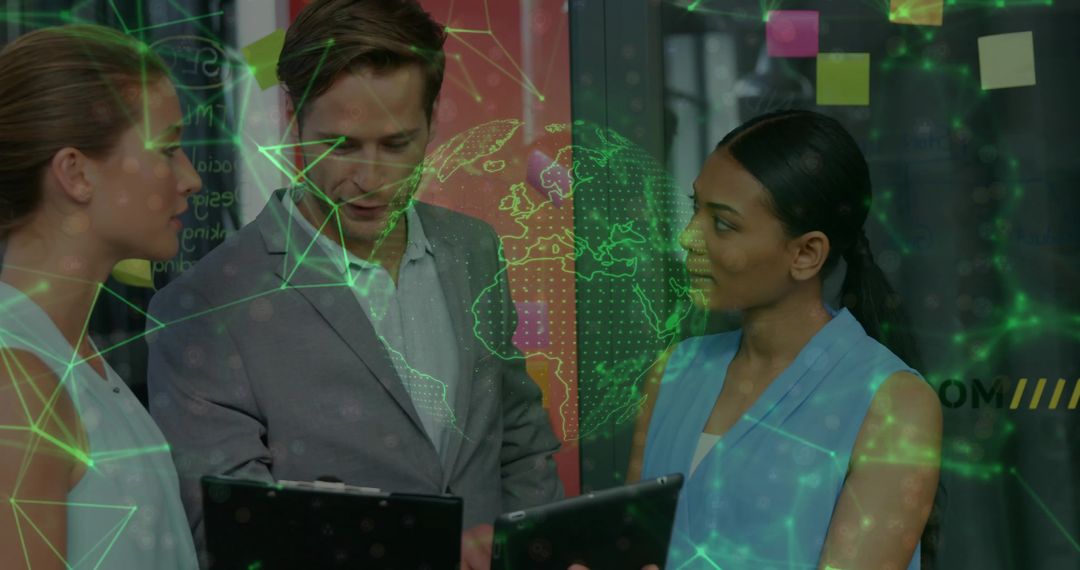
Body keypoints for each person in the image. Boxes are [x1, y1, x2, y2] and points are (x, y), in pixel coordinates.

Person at [145, 1, 563, 568]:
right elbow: (236, 542)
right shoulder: (204, 308)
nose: (372, 180)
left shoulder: (474, 249)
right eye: (341, 145)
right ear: (293, 118)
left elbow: (519, 442)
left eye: (397, 145)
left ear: (433, 118)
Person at [628, 110, 942, 569]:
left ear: (806, 253)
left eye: (723, 224)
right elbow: (631, 544)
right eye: (696, 208)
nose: (687, 237)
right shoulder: (674, 370)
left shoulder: (895, 405)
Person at [0, 24, 202, 569]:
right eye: (167, 147)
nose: (190, 178)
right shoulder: (16, 387)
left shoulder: (69, 356)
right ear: (76, 172)